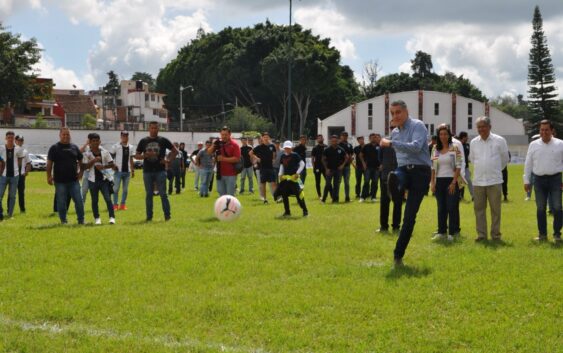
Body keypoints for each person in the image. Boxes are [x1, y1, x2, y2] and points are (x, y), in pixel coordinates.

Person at [380, 100, 431, 267]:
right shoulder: (395, 132)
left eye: (398, 112)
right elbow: (399, 157)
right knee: (395, 174)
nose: (395, 116)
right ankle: (396, 188)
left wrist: (391, 143)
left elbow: (416, 148)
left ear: (406, 111)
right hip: (403, 170)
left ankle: (398, 255)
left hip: (420, 172)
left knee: (409, 217)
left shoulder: (418, 126)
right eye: (392, 113)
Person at [469, 116, 509, 242]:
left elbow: (504, 159)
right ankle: (481, 235)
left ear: (489, 127)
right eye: (479, 127)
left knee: (495, 210)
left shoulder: (500, 140)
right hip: (478, 181)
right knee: (479, 210)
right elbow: (472, 159)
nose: (481, 129)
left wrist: (494, 170)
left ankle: (496, 235)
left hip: (494, 181)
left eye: (483, 126)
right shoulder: (474, 142)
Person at [523, 120, 563, 243]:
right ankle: (542, 235)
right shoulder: (533, 145)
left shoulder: (560, 144)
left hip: (555, 179)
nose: (544, 132)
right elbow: (528, 163)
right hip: (538, 180)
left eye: (546, 130)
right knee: (540, 208)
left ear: (552, 131)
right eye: (541, 130)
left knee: (557, 207)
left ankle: (557, 234)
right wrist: (526, 180)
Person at [135, 121, 177, 221]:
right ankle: (149, 217)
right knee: (149, 194)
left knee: (163, 194)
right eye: (152, 128)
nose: (154, 130)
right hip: (147, 171)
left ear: (158, 129)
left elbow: (175, 151)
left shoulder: (163, 140)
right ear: (149, 129)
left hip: (160, 171)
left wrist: (168, 161)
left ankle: (167, 216)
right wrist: (145, 155)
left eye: (156, 128)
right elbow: (137, 155)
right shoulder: (143, 141)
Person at [430, 125, 462, 241]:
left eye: (445, 134)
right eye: (441, 134)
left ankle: (452, 233)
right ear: (438, 136)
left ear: (449, 136)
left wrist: (454, 182)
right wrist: (432, 183)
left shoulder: (455, 148)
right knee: (441, 207)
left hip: (451, 180)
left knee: (452, 207)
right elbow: (433, 167)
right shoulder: (435, 149)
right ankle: (442, 232)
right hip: (439, 181)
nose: (443, 136)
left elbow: (458, 166)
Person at [46, 127, 85, 225]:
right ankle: (63, 221)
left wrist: (81, 173)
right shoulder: (54, 148)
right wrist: (48, 176)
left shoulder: (74, 147)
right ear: (60, 135)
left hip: (73, 181)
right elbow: (49, 163)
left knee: (79, 201)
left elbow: (81, 161)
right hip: (60, 181)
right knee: (61, 202)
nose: (66, 136)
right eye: (64, 134)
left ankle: (81, 221)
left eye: (67, 134)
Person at [83, 133, 115, 225]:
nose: (96, 143)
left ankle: (112, 217)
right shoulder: (87, 154)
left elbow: (112, 164)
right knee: (94, 200)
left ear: (100, 141)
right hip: (92, 180)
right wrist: (93, 160)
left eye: (97, 141)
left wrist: (104, 166)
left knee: (108, 199)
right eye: (93, 141)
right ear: (90, 142)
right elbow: (84, 167)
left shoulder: (105, 152)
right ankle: (97, 218)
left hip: (104, 179)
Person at [274, 140, 308, 217]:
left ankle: (305, 211)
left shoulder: (295, 155)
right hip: (286, 179)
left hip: (294, 179)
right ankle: (287, 212)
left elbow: (302, 164)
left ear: (291, 148)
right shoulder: (283, 156)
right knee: (284, 194)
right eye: (286, 148)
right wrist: (280, 175)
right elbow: (282, 166)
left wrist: (297, 173)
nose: (287, 149)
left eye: (288, 148)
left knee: (299, 195)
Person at [378, 139, 402, 233]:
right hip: (386, 176)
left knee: (398, 203)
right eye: (392, 127)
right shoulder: (384, 144)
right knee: (384, 203)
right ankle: (383, 226)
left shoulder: (403, 143)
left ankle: (396, 226)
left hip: (399, 177)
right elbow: (380, 158)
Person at [208, 126, 241, 196]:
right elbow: (209, 152)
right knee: (221, 195)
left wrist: (223, 159)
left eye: (226, 135)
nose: (224, 136)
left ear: (230, 134)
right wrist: (214, 145)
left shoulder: (234, 145)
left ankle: (231, 207)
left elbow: (237, 159)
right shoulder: (218, 144)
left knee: (230, 195)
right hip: (220, 174)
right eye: (222, 135)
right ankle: (224, 207)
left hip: (231, 174)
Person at [0, 131, 25, 220]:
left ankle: (10, 214)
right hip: (3, 175)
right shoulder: (1, 148)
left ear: (14, 139)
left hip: (15, 176)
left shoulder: (19, 149)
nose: (10, 139)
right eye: (9, 137)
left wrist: (18, 171)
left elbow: (20, 161)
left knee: (12, 196)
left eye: (12, 138)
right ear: (6, 138)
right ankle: (0, 212)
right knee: (0, 194)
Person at [110, 130, 134, 210]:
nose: (125, 137)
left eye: (126, 136)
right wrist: (112, 165)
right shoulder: (115, 146)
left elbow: (131, 159)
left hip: (127, 172)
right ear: (121, 137)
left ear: (128, 137)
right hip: (118, 171)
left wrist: (132, 170)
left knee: (125, 190)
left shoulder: (131, 147)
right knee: (116, 189)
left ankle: (123, 205)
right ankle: (115, 205)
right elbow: (110, 157)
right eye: (123, 136)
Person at [250, 132, 277, 203]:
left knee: (273, 183)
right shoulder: (259, 147)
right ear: (262, 138)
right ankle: (265, 199)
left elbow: (274, 154)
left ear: (269, 138)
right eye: (264, 137)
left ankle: (276, 198)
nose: (266, 138)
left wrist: (273, 160)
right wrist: (256, 158)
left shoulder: (272, 146)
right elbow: (250, 153)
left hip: (270, 168)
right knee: (263, 184)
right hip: (263, 168)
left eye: (267, 137)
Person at [322, 135, 348, 203]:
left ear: (338, 141)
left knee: (336, 185)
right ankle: (323, 199)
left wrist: (342, 165)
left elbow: (346, 157)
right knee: (327, 185)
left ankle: (335, 199)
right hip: (329, 170)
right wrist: (326, 169)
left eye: (335, 141)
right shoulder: (327, 149)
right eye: (333, 141)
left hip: (338, 170)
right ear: (330, 141)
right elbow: (323, 159)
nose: (334, 142)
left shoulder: (341, 149)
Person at [359, 133, 381, 202]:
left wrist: (381, 164)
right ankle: (363, 197)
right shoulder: (366, 146)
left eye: (374, 137)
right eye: (372, 137)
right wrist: (364, 164)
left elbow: (383, 156)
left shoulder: (380, 146)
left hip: (377, 168)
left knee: (375, 183)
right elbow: (360, 155)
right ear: (369, 139)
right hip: (368, 167)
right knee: (366, 182)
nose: (373, 138)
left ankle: (373, 197)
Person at [15, 135, 30, 214]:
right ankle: (9, 210)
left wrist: (26, 172)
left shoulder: (25, 151)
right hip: (13, 174)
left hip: (21, 175)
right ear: (15, 141)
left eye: (21, 140)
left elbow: (28, 163)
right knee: (12, 193)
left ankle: (22, 209)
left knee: (21, 193)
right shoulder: (12, 150)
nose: (20, 141)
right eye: (18, 140)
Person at [457, 131, 474, 201]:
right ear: (463, 137)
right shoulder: (457, 145)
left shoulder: (467, 145)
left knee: (469, 181)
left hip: (466, 167)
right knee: (459, 182)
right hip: (458, 167)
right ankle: (459, 196)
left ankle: (474, 196)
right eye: (467, 136)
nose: (468, 138)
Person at [338, 131, 354, 202]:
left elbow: (351, 155)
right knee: (337, 182)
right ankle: (336, 197)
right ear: (340, 136)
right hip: (339, 167)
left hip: (347, 167)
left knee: (347, 183)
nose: (344, 137)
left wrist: (351, 161)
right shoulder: (338, 145)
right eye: (343, 135)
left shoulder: (349, 145)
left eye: (346, 135)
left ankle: (347, 197)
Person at [311, 134, 326, 199]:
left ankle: (331, 194)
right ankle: (319, 195)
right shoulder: (315, 148)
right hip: (317, 167)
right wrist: (314, 167)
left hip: (325, 167)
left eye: (321, 138)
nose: (320, 139)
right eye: (318, 138)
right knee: (318, 182)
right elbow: (312, 158)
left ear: (323, 139)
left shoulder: (326, 147)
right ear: (317, 140)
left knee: (328, 181)